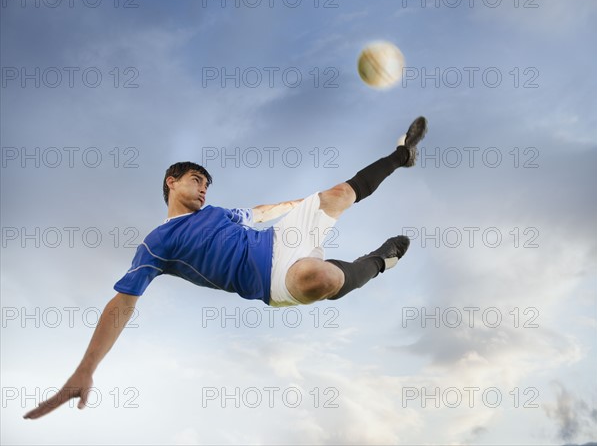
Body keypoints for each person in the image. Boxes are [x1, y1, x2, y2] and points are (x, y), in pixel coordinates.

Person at [23, 116, 428, 419]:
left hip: (280, 237)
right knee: (319, 277)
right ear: (171, 182)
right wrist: (84, 369)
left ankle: (401, 154)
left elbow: (257, 212)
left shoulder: (218, 212)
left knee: (340, 193)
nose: (203, 188)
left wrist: (304, 204)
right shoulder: (157, 243)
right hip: (273, 280)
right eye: (196, 180)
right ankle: (381, 260)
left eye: (206, 184)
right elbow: (122, 304)